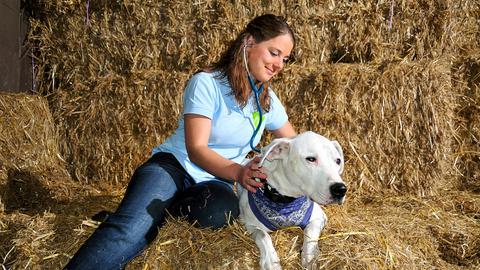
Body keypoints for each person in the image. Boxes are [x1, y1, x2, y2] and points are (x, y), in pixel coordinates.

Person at [64, 13, 297, 270]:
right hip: (174, 167)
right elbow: (196, 149)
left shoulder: (266, 100)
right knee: (131, 228)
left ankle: (162, 212)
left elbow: (296, 145)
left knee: (221, 213)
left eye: (285, 59)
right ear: (249, 42)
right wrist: (239, 172)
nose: (279, 65)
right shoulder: (207, 83)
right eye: (274, 53)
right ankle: (146, 214)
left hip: (213, 181)